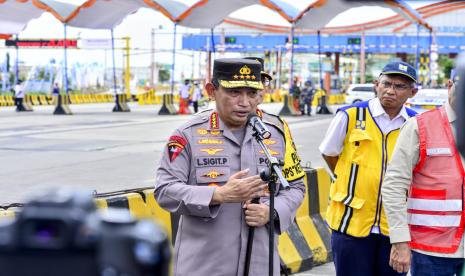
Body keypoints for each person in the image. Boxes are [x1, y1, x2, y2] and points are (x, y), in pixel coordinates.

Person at [155, 58, 306, 276]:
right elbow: (164, 190)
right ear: (212, 91)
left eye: (252, 93)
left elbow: (295, 187)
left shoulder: (275, 133)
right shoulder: (188, 135)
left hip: (261, 265)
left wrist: (271, 211)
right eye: (234, 92)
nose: (244, 102)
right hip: (204, 267)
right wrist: (218, 195)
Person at [318, 61, 418, 276]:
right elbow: (329, 153)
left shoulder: (416, 123)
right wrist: (352, 180)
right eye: (387, 83)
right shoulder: (350, 115)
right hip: (350, 222)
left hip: (395, 227)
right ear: (376, 84)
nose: (391, 90)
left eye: (400, 87)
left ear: (413, 92)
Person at [382, 71, 464, 276]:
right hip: (430, 251)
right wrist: (400, 241)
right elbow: (393, 187)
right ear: (449, 86)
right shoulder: (420, 126)